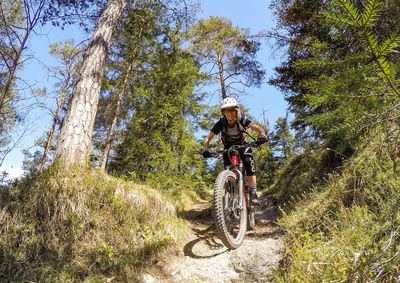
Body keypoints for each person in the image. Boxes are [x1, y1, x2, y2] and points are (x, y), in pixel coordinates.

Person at [202, 97, 267, 205]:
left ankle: (253, 192)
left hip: (242, 145)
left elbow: (258, 129)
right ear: (223, 112)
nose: (230, 113)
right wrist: (206, 150)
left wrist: (262, 135)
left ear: (236, 110)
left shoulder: (241, 120)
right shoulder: (220, 123)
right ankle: (233, 201)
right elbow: (207, 139)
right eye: (227, 110)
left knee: (248, 161)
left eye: (232, 110)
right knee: (229, 173)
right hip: (228, 148)